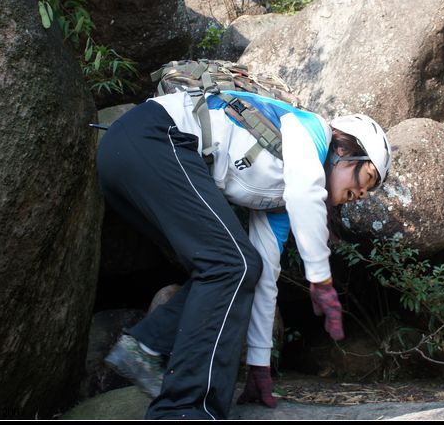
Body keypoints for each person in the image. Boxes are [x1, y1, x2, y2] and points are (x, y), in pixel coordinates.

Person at [99, 84, 391, 419]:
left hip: (135, 157)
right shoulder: (309, 130)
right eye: (366, 176)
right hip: (152, 137)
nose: (364, 193)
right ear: (343, 148)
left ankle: (147, 344)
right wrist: (320, 279)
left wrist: (259, 365)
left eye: (370, 190)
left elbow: (263, 276)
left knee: (234, 268)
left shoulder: (281, 198)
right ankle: (183, 410)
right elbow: (305, 194)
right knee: (231, 264)